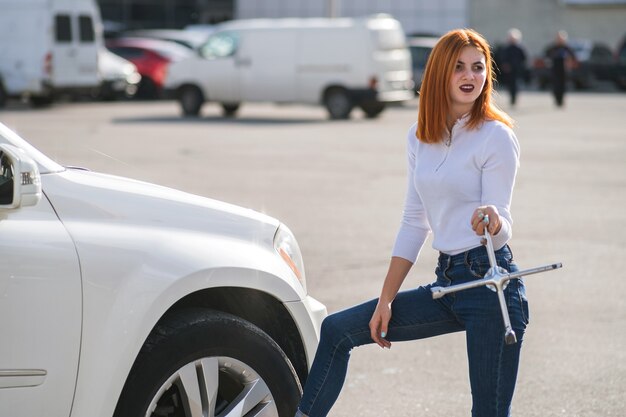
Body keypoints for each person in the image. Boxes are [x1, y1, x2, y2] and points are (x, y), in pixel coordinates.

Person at [295, 28, 527, 417]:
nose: (470, 76)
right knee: (338, 331)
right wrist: (385, 299)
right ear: (439, 73)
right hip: (447, 282)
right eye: (458, 68)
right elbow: (414, 222)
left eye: (477, 67)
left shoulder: (496, 136)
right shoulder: (419, 138)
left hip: (491, 285)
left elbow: (502, 221)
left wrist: (491, 220)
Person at [545, 30, 577, 107]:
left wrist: (570, 64)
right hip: (555, 69)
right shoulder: (553, 48)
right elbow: (546, 55)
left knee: (563, 86)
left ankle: (561, 101)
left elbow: (573, 57)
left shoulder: (567, 48)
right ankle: (556, 99)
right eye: (558, 38)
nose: (560, 40)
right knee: (555, 85)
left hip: (564, 70)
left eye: (561, 39)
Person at [499, 28, 527, 107]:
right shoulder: (506, 49)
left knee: (516, 85)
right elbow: (503, 59)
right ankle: (511, 98)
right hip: (509, 70)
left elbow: (524, 58)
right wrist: (505, 65)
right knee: (510, 85)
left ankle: (514, 99)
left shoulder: (520, 48)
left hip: (517, 70)